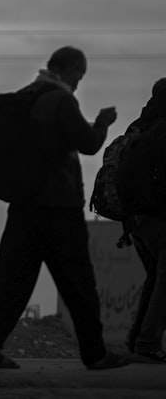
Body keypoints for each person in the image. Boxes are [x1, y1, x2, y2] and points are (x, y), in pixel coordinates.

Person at [0, 46, 130, 370]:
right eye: (79, 76)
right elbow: (88, 143)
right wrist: (102, 122)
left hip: (24, 203)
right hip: (58, 205)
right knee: (79, 282)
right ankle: (95, 353)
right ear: (70, 69)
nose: (78, 83)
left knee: (12, 279)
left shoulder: (27, 95)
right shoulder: (59, 99)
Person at [122, 77, 166, 363]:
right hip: (159, 215)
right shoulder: (161, 130)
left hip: (134, 219)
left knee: (154, 280)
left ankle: (139, 341)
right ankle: (146, 343)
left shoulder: (137, 126)